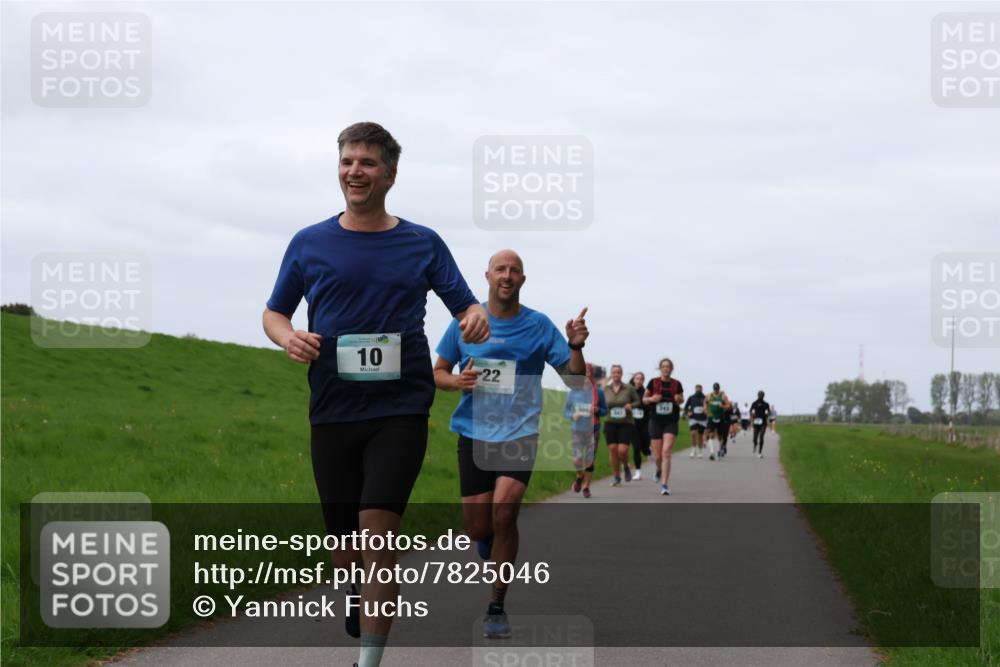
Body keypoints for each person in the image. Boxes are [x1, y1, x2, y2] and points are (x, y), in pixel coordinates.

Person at [263, 122, 490, 667]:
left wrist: (476, 316)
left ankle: (370, 659)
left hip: (401, 408)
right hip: (333, 409)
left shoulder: (421, 242)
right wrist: (288, 337)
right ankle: (354, 589)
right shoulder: (309, 242)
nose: (354, 171)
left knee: (378, 535)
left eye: (366, 162)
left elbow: (466, 305)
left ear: (389, 173)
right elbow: (274, 313)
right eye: (346, 161)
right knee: (346, 548)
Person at [433, 249, 588, 639]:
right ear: (487, 276)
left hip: (520, 432)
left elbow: (573, 380)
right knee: (477, 527)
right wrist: (457, 382)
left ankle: (496, 605)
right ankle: (486, 541)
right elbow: (438, 372)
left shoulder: (539, 325)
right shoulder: (467, 323)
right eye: (500, 269)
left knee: (505, 514)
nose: (507, 275)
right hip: (473, 432)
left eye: (514, 270)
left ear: (523, 279)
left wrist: (575, 346)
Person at [643, 358, 684, 495]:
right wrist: (651, 399)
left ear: (671, 369)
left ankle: (665, 484)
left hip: (671, 421)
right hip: (655, 420)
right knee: (657, 455)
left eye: (668, 366)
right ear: (660, 368)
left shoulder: (676, 384)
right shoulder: (653, 382)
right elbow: (644, 399)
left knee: (666, 451)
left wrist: (679, 399)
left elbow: (681, 399)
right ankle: (659, 469)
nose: (666, 369)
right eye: (663, 366)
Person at [566, 364, 607, 497]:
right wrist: (573, 415)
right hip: (577, 429)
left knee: (589, 460)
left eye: (588, 372)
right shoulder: (573, 391)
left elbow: (605, 411)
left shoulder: (598, 391)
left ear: (592, 374)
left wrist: (597, 410)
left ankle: (586, 487)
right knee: (577, 459)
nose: (585, 374)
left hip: (593, 429)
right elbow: (566, 411)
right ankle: (579, 477)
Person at [603, 364, 641, 485]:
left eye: (618, 372)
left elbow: (638, 401)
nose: (616, 375)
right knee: (613, 449)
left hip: (626, 423)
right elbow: (600, 401)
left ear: (621, 374)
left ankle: (625, 465)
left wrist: (631, 405)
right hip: (610, 422)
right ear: (611, 374)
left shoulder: (629, 388)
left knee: (622, 450)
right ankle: (616, 477)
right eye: (614, 372)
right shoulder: (606, 389)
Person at [629, 372, 650, 479]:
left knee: (645, 449)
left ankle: (651, 455)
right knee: (636, 447)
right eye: (637, 378)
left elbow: (650, 408)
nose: (639, 380)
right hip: (632, 425)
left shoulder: (646, 393)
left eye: (641, 379)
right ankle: (638, 472)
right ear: (633, 380)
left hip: (644, 424)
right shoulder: (628, 392)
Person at [705, 383, 732, 460]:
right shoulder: (709, 395)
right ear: (713, 389)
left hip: (720, 418)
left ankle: (719, 451)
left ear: (719, 389)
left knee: (720, 436)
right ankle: (712, 453)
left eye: (717, 389)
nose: (716, 390)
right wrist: (706, 410)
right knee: (711, 434)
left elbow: (729, 406)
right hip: (711, 417)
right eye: (715, 389)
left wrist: (723, 406)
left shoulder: (723, 396)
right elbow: (705, 402)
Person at [684, 384, 708, 458]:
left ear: (702, 390)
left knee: (700, 436)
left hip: (702, 419)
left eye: (699, 389)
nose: (698, 390)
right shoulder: (691, 397)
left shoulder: (705, 398)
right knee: (693, 433)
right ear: (695, 389)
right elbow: (686, 407)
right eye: (697, 389)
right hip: (693, 418)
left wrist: (706, 411)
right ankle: (693, 449)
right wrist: (688, 412)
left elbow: (708, 407)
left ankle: (700, 451)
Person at [750, 391, 771, 457]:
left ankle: (760, 452)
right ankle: (755, 444)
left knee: (761, 436)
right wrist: (752, 414)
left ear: (763, 396)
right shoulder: (754, 403)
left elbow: (769, 412)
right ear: (758, 395)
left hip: (763, 422)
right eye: (759, 395)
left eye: (762, 396)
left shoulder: (766, 404)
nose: (760, 397)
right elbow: (750, 411)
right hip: (756, 422)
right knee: (754, 438)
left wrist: (767, 414)